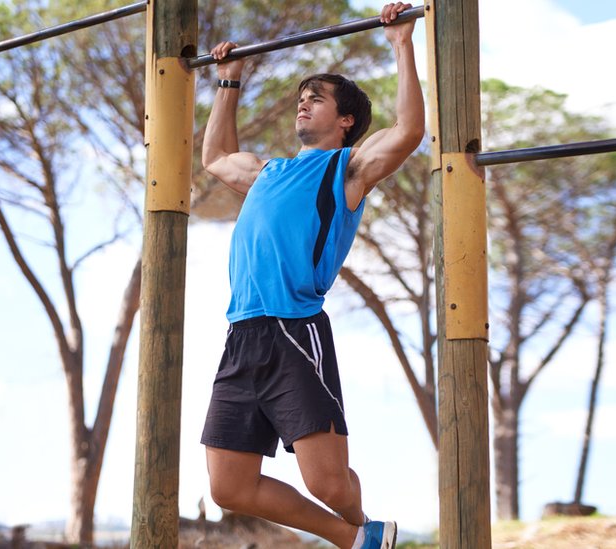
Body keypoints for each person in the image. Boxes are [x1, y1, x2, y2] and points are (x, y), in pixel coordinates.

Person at [198, 3, 425, 549]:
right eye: (301, 97)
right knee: (229, 486)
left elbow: (409, 130)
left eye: (316, 98)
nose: (303, 103)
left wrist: (400, 43)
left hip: (294, 330)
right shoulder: (267, 174)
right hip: (241, 334)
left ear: (345, 120)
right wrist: (229, 82)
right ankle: (358, 541)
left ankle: (363, 526)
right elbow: (215, 157)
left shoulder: (346, 170)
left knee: (326, 482)